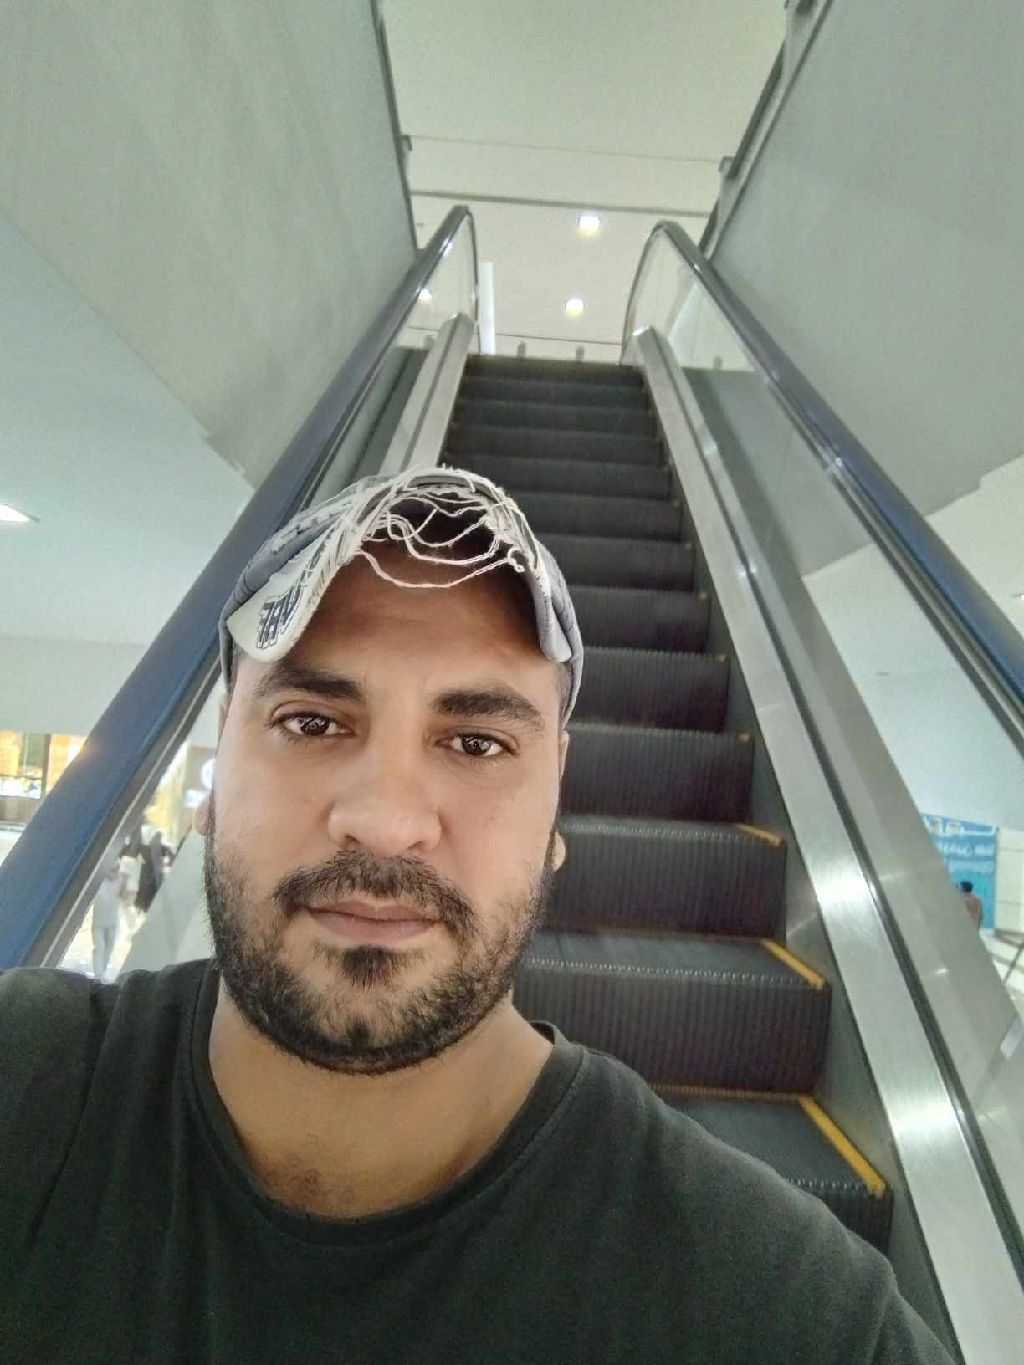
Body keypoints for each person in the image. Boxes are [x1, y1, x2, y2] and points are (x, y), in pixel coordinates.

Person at [0, 468, 953, 1362]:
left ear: (555, 809)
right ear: (216, 774)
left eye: (477, 741)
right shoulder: (27, 1086)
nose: (386, 821)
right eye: (311, 723)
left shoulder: (792, 1313)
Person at [90, 858, 125, 982]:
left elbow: (126, 897)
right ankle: (98, 975)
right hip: (98, 923)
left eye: (116, 870)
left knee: (108, 950)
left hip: (112, 922)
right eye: (111, 870)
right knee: (99, 947)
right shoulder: (99, 882)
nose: (114, 873)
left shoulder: (121, 881)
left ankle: (102, 973)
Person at [134, 829, 165, 913]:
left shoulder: (146, 849)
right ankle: (144, 907)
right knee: (148, 891)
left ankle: (140, 907)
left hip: (146, 875)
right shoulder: (158, 850)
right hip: (151, 875)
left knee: (144, 889)